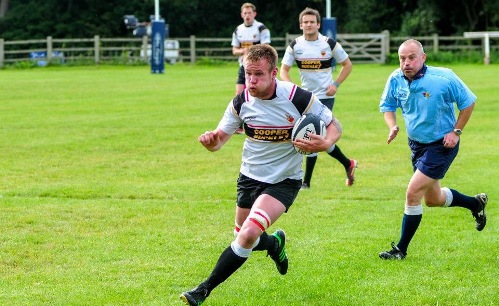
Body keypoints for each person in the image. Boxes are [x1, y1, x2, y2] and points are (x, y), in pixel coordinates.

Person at [180, 44, 343, 305]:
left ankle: (203, 290)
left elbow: (335, 125)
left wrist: (326, 143)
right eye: (247, 74)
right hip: (249, 176)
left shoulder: (298, 97)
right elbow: (219, 142)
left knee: (246, 235)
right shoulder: (241, 101)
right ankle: (275, 245)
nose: (251, 81)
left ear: (274, 73)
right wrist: (210, 140)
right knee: (244, 236)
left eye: (258, 75)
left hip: (284, 180)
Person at [378, 39, 488, 260]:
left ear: (423, 57)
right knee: (433, 199)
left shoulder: (443, 77)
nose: (406, 63)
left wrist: (455, 132)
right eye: (402, 58)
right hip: (417, 145)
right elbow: (388, 107)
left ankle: (400, 250)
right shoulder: (395, 79)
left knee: (412, 193)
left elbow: (468, 103)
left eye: (411, 57)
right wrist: (393, 126)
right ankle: (475, 203)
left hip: (441, 145)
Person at [280, 7, 357, 188]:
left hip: (325, 97)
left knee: (312, 134)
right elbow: (284, 70)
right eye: (305, 22)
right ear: (301, 25)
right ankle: (348, 164)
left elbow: (347, 65)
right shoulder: (295, 46)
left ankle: (306, 182)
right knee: (316, 137)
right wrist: (293, 88)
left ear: (318, 24)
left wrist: (336, 84)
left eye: (312, 22)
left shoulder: (328, 44)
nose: (308, 25)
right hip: (305, 97)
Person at [232, 3, 271, 95]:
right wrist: (242, 51)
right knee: (239, 93)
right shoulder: (238, 30)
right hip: (244, 65)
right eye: (245, 13)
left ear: (254, 14)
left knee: (258, 93)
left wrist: (251, 50)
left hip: (258, 65)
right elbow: (234, 51)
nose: (247, 15)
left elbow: (266, 47)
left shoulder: (261, 28)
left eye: (249, 13)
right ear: (241, 14)